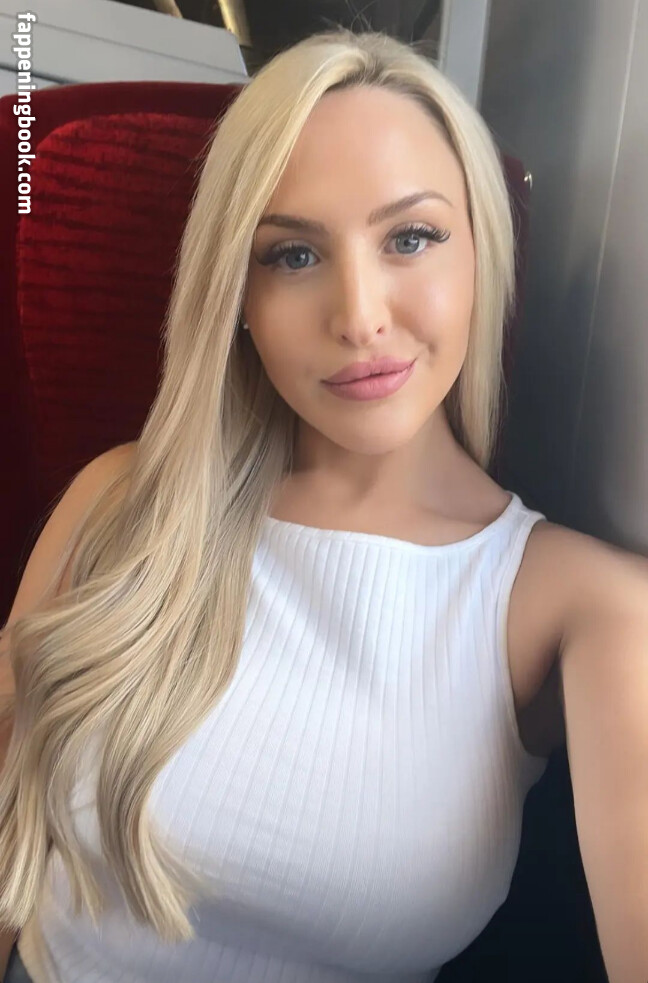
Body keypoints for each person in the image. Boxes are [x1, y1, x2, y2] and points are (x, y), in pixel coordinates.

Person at [1, 25, 645, 983]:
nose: (360, 316)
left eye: (411, 238)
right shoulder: (120, 501)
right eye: (293, 255)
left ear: (482, 255)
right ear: (238, 298)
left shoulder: (578, 607)